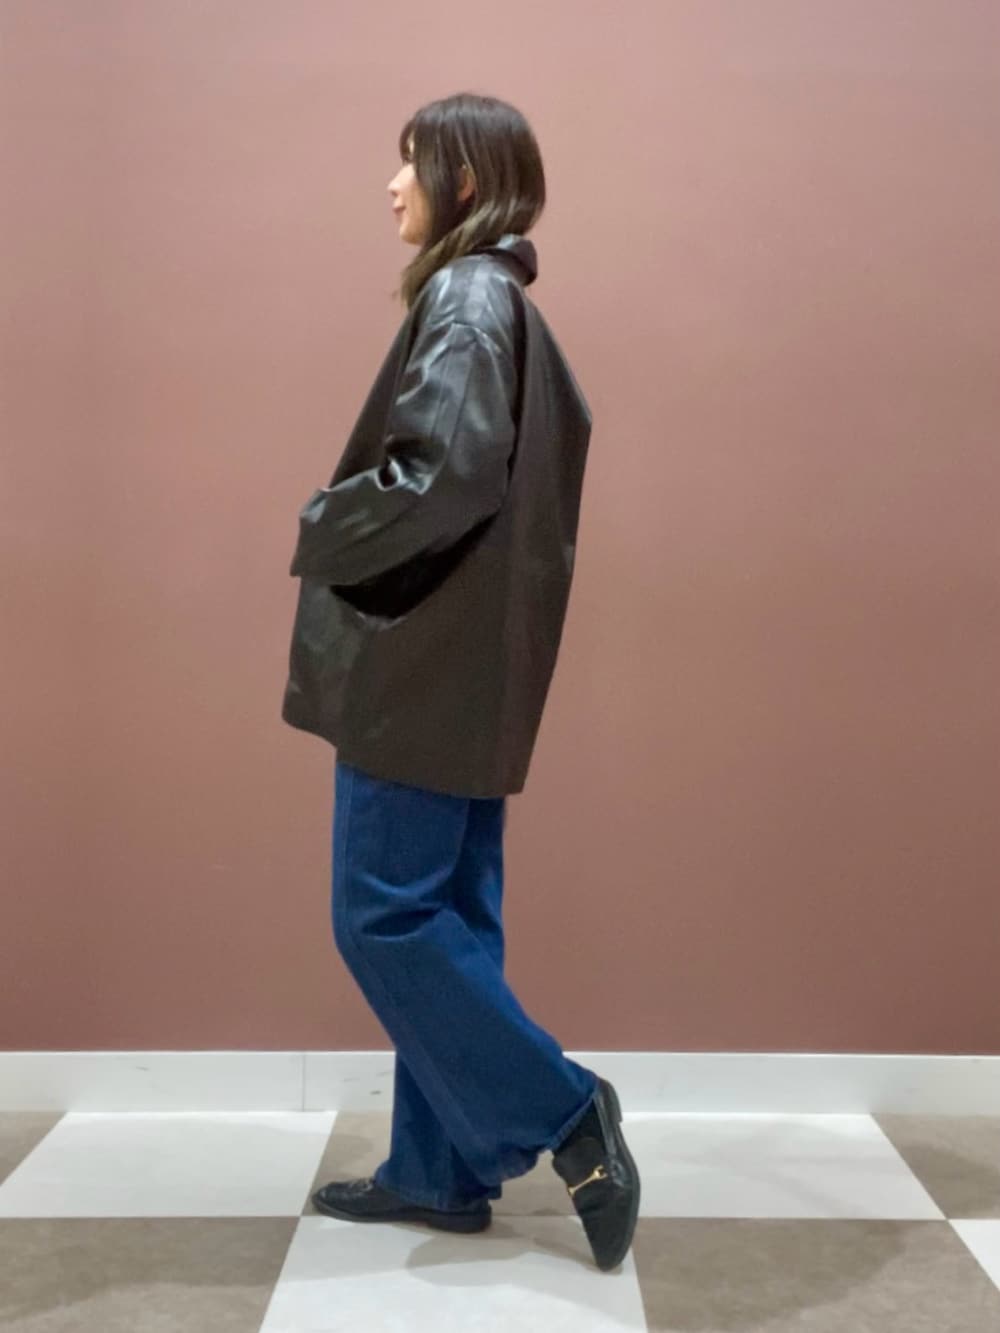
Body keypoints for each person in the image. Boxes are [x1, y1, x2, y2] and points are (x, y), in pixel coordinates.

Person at [282, 92, 640, 1272]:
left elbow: (440, 479)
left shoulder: (468, 298)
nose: (391, 185)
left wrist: (322, 521)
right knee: (450, 920)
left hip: (419, 667)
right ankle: (437, 1172)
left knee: (384, 915)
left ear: (466, 183)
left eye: (411, 164)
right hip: (466, 671)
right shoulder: (502, 302)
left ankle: (564, 1109)